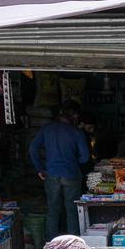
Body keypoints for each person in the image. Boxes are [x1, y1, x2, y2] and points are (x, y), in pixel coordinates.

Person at [29, 100, 90, 240]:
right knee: (72, 210)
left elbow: (32, 148)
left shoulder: (47, 129)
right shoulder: (77, 132)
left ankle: (51, 244)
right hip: (71, 174)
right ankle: (73, 243)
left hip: (51, 174)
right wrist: (74, 161)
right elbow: (85, 157)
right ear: (74, 115)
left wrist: (40, 168)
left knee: (53, 210)